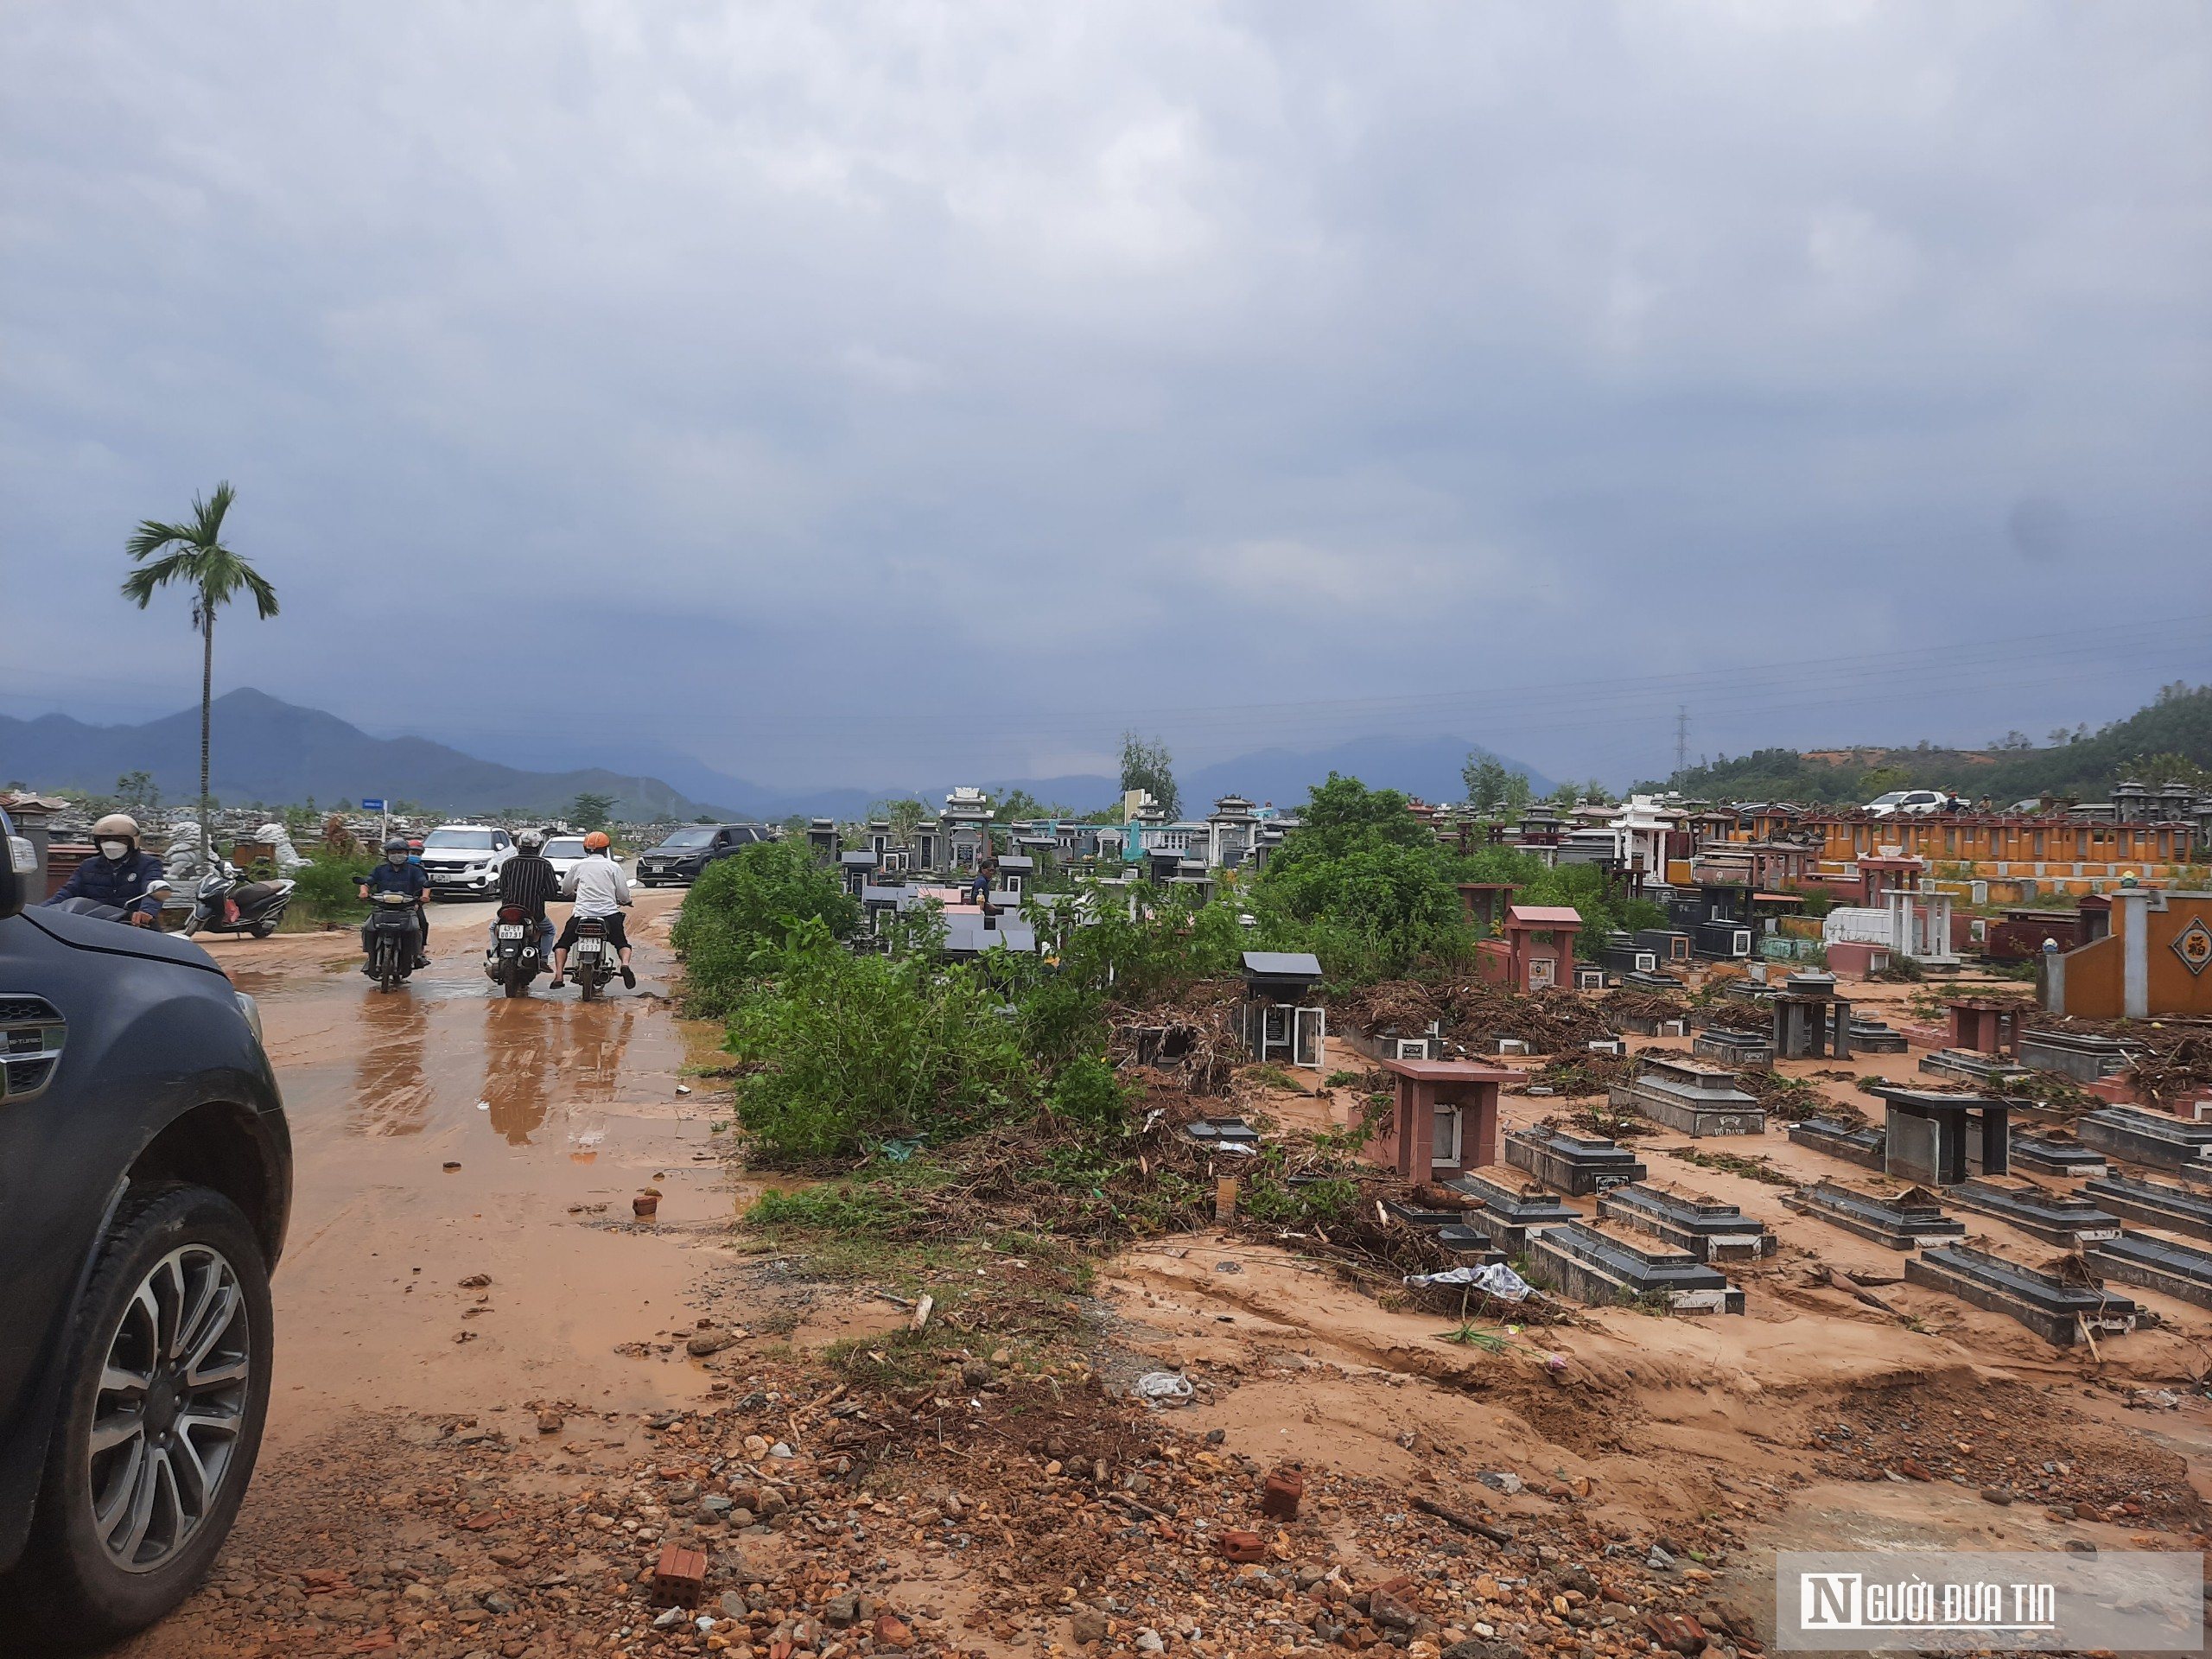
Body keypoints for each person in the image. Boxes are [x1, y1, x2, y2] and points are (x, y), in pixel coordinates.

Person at [45, 813, 168, 926]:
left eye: (119, 840)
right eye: (105, 840)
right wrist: (39, 912)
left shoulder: (149, 864)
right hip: (94, 925)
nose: (111, 844)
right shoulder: (89, 865)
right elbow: (68, 892)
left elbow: (152, 887)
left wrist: (145, 912)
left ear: (133, 841)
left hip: (133, 926)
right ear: (98, 843)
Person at [550, 830, 635, 989]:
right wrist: (626, 901)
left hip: (582, 915)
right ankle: (624, 964)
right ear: (606, 849)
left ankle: (559, 975)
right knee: (621, 943)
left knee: (563, 944)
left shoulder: (578, 866)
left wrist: (573, 892)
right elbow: (623, 893)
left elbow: (566, 889)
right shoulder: (613, 867)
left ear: (586, 849)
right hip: (609, 914)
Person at [359, 836, 432, 970]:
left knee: (417, 928)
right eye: (393, 853)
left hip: (408, 908)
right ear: (387, 854)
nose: (397, 856)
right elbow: (367, 882)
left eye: (401, 853)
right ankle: (371, 957)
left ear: (406, 854)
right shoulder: (380, 870)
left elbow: (425, 884)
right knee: (367, 927)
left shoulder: (414, 870)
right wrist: (364, 892)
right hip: (382, 908)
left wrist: (425, 896)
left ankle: (417, 954)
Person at [493, 827, 560, 964]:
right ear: (539, 846)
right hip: (534, 912)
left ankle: (495, 954)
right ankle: (543, 959)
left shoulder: (508, 863)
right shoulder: (544, 865)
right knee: (550, 931)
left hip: (508, 911)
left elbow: (502, 888)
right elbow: (552, 891)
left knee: (493, 928)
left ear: (520, 844)